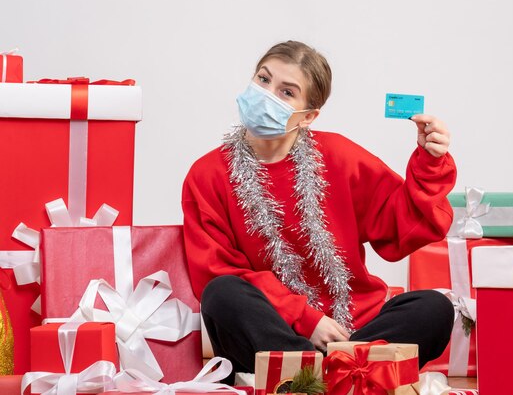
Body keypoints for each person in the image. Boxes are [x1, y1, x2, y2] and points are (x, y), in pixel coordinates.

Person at [182, 40, 457, 379]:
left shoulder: (339, 155)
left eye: (286, 92)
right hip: (272, 331)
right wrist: (305, 319)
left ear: (308, 116)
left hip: (354, 329)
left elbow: (401, 228)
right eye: (263, 80)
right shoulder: (207, 175)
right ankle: (343, 374)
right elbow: (216, 269)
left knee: (434, 308)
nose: (267, 95)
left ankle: (315, 376)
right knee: (221, 294)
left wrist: (430, 164)